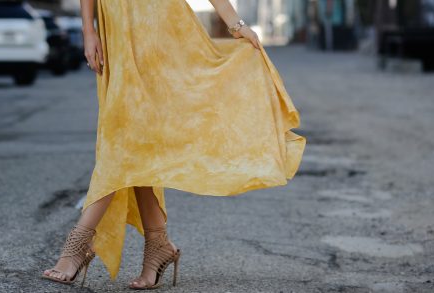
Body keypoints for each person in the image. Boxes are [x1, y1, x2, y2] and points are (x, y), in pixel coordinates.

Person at [41, 0, 305, 290]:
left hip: (160, 29)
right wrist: (88, 30)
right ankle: (157, 243)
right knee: (135, 139)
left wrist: (235, 24)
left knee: (129, 138)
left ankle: (80, 243)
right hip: (116, 29)